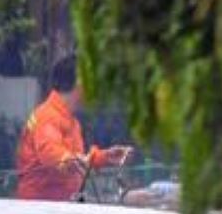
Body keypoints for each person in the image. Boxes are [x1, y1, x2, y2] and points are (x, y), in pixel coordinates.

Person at [15, 56, 133, 201]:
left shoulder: (70, 120)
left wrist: (103, 157)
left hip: (60, 206)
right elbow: (53, 154)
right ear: (79, 84)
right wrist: (69, 160)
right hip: (42, 210)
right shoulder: (48, 117)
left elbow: (75, 160)